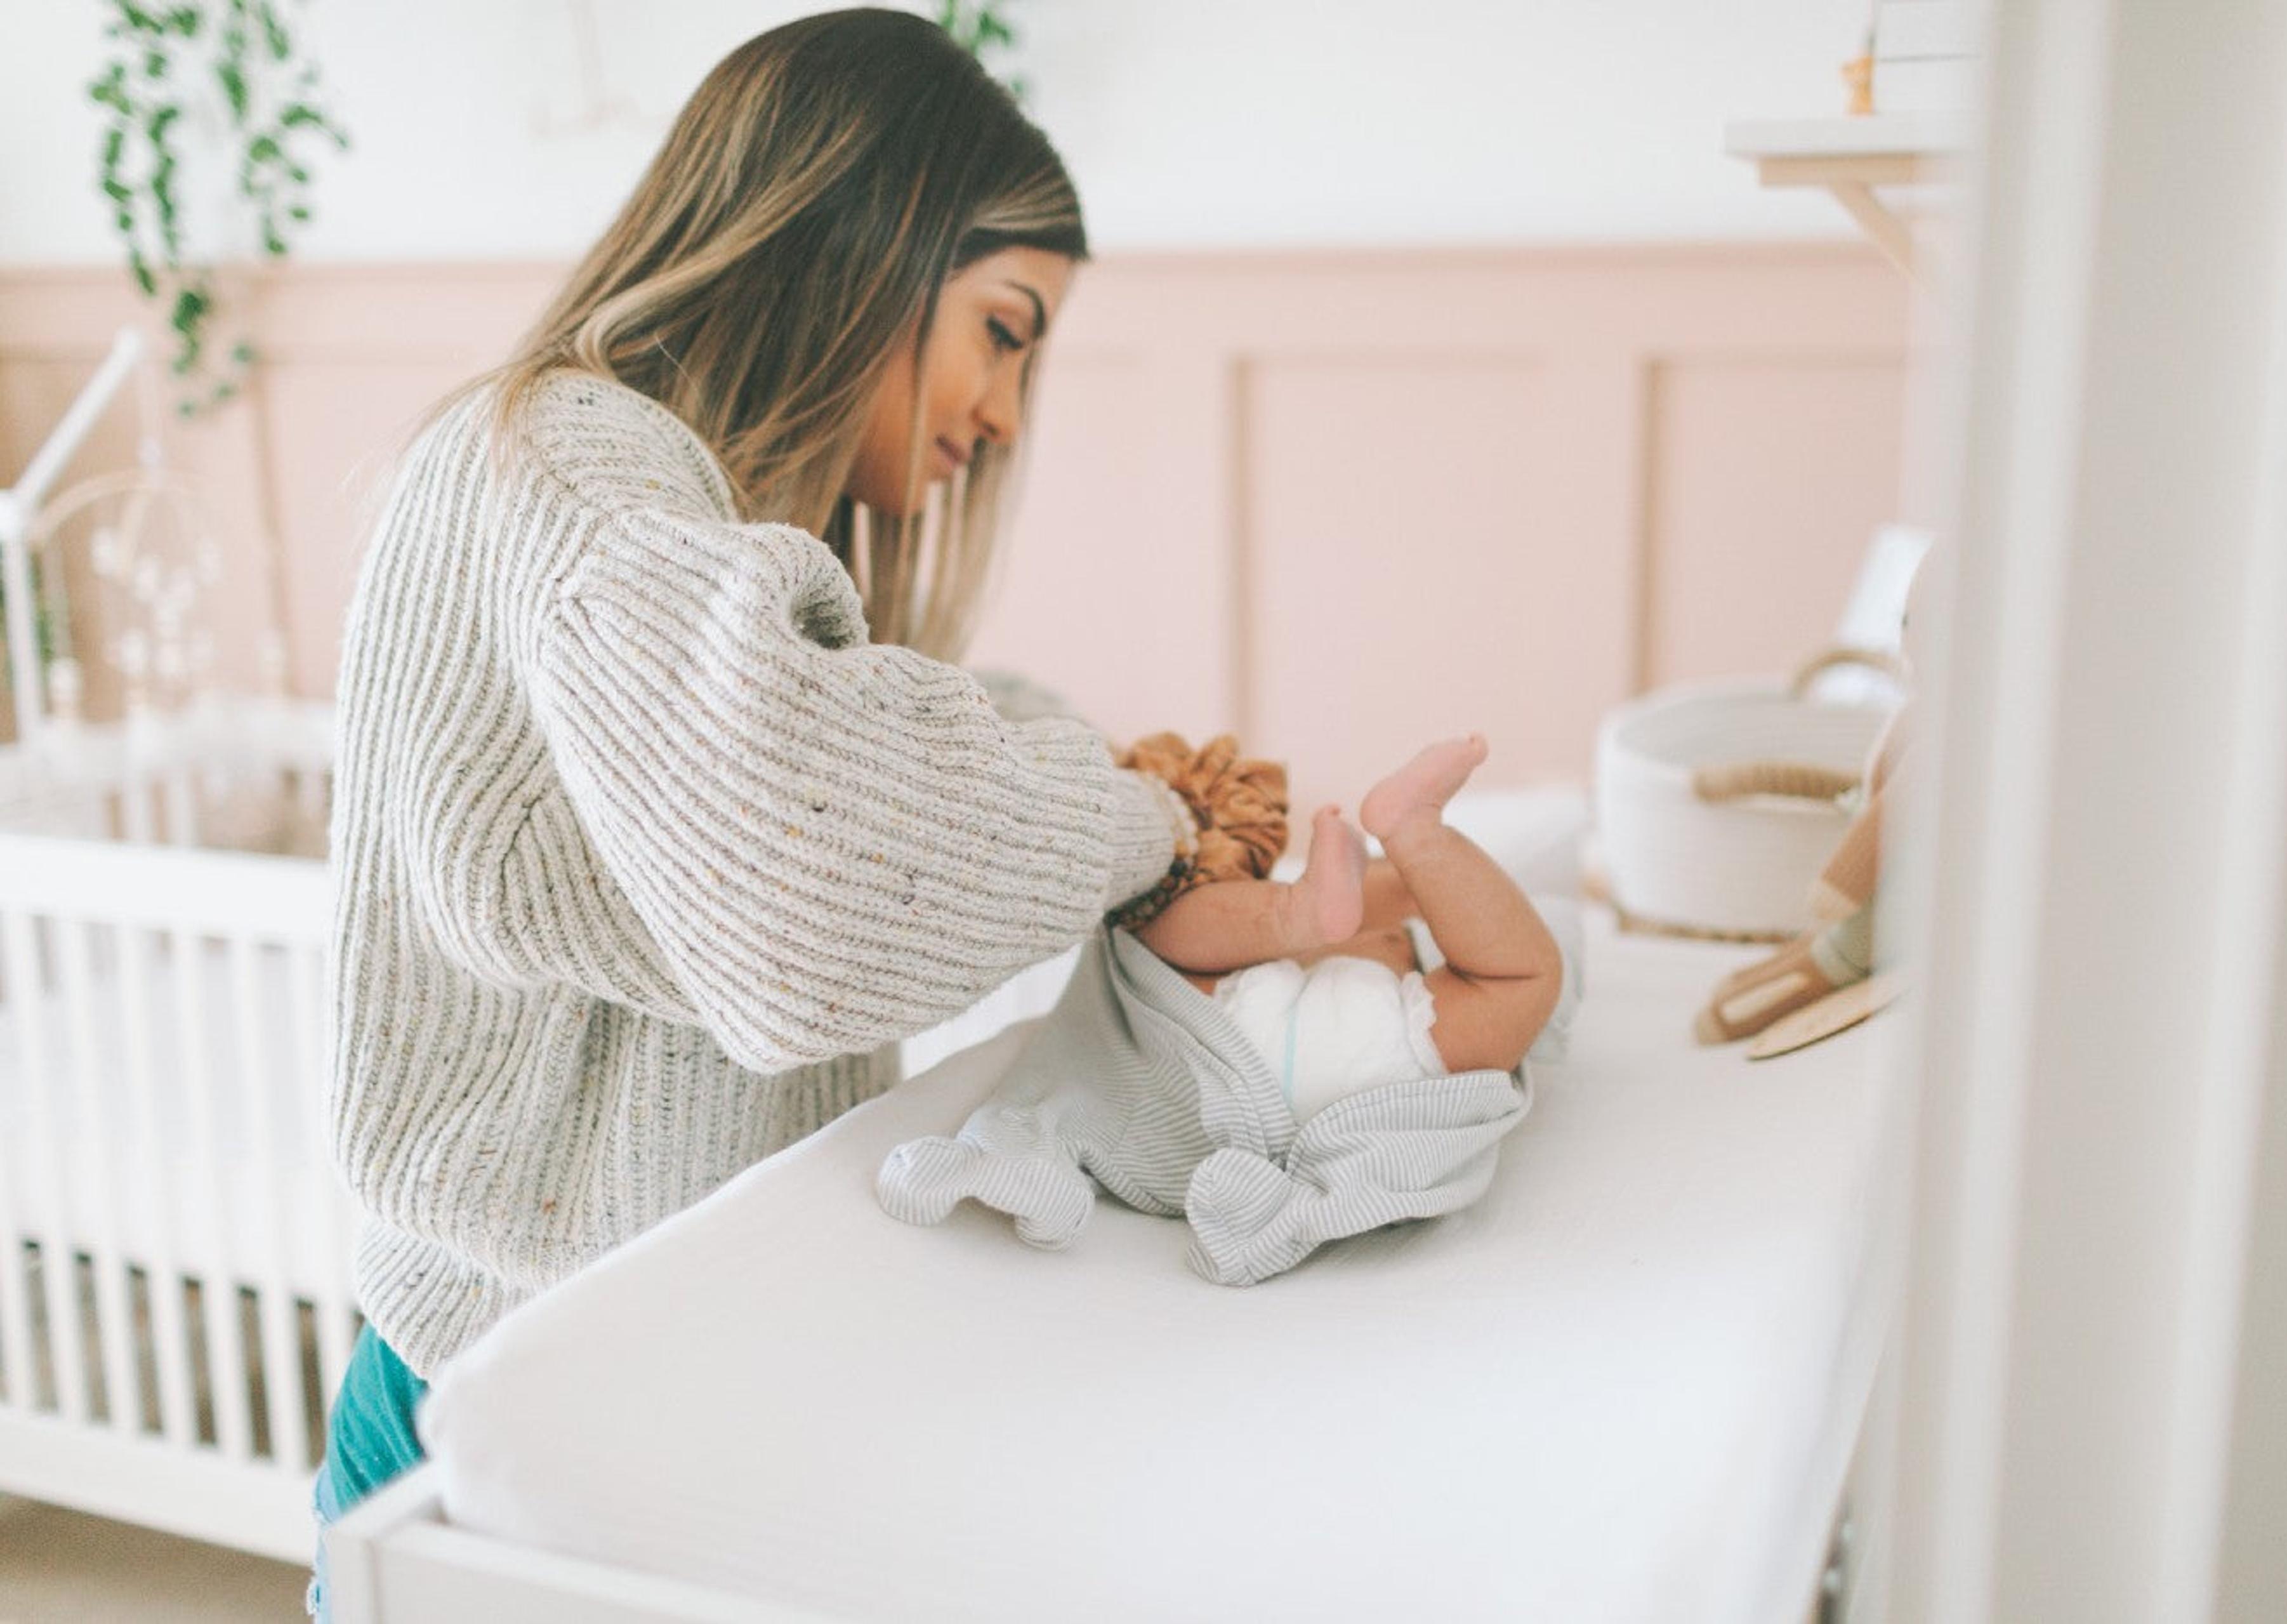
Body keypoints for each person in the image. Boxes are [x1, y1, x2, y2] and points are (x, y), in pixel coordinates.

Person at [305, 11, 1281, 1614]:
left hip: (636, 1382)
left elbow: (864, 733)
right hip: (510, 1416)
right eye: (1003, 327)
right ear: (863, 243)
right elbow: (801, 894)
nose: (1007, 413)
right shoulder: (568, 477)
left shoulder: (665, 519)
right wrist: (1139, 822)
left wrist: (1122, 779)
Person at [1137, 734, 1565, 1118]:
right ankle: (1414, 831)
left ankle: (1297, 908)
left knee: (1160, 919)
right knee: (1522, 977)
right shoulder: (1398, 971)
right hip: (1374, 1055)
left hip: (1204, 1026)